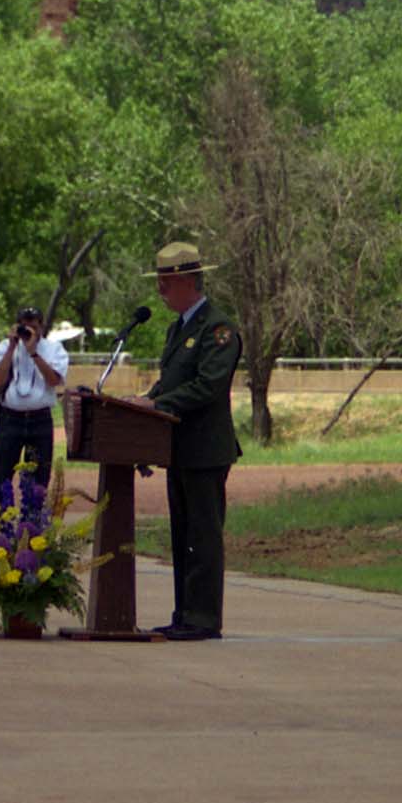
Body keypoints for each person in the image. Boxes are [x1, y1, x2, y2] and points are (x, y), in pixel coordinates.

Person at [135, 241, 242, 641]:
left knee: (203, 537)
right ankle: (184, 613)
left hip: (205, 449)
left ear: (187, 281)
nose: (161, 290)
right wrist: (145, 406)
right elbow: (172, 382)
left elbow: (207, 387)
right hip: (177, 449)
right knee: (183, 536)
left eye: (166, 282)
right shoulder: (177, 329)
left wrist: (156, 402)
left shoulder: (218, 330)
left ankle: (203, 618)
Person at [0, 305, 68, 491]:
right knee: (0, 475)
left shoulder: (54, 349)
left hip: (40, 420)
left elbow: (54, 380)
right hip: (10, 419)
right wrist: (11, 348)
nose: (28, 329)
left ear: (41, 325)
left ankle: (32, 519)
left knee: (37, 480)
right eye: (23, 325)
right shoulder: (5, 347)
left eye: (33, 325)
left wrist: (33, 352)